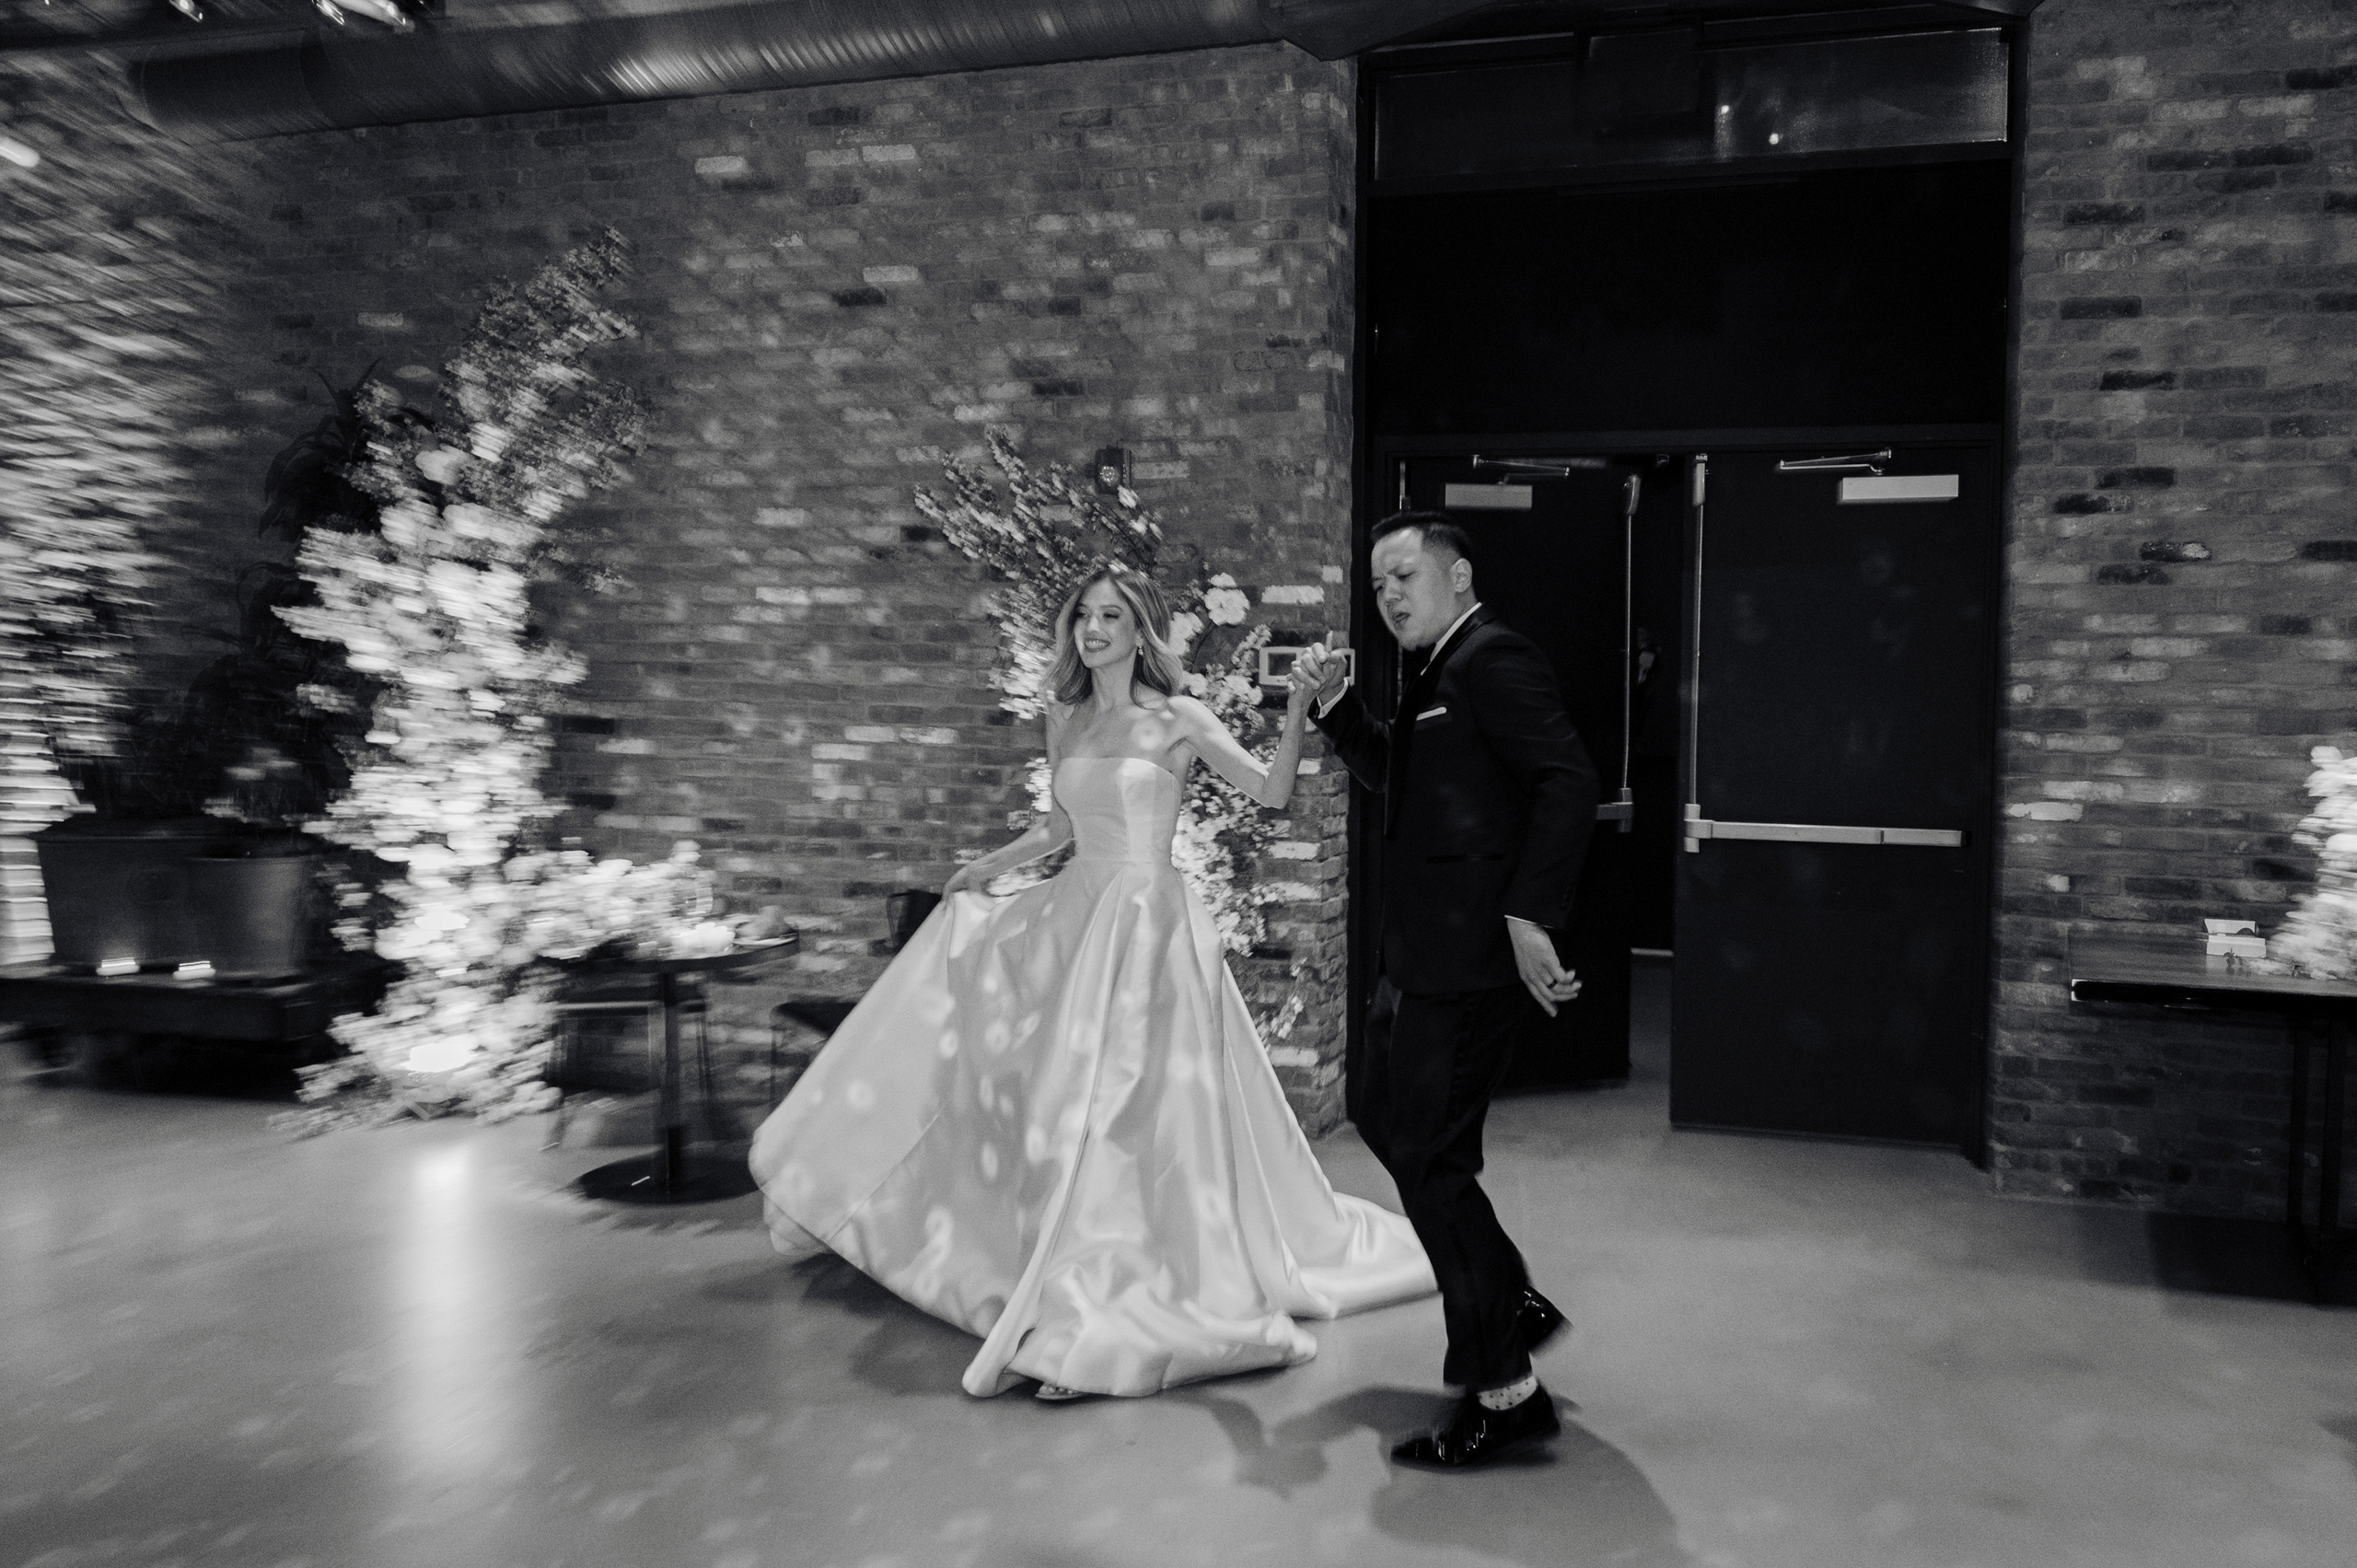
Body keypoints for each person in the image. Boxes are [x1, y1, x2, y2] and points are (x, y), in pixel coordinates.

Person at [749, 561, 1434, 1400]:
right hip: (1079, 914)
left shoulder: (1178, 716)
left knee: (1124, 1111)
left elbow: (1274, 790)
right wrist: (984, 867)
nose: (1093, 630)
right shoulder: (1066, 719)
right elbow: (1057, 828)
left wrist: (1293, 709)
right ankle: (1066, 1280)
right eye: (1083, 617)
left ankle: (1107, 1301)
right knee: (1061, 1102)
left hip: (1151, 929)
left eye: (1111, 616)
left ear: (1141, 630)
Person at [1294, 510, 1599, 1469]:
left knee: (1431, 1163)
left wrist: (1528, 915)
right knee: (1376, 1106)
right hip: (1416, 959)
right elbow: (1405, 778)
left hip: (1466, 965)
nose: (1387, 595)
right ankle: (1503, 1290)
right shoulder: (1432, 670)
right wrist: (1339, 710)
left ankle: (1504, 1388)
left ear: (1457, 575)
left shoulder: (1493, 658)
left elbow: (1567, 779)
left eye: (1403, 575)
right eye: (1378, 582)